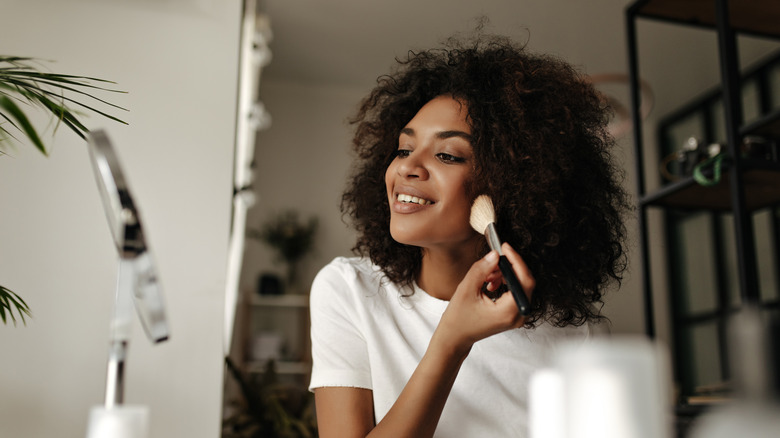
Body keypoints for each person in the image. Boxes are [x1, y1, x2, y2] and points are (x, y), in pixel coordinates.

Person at [308, 32, 630, 438]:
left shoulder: (575, 338)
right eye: (404, 149)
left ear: (513, 186)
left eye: (447, 155)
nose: (407, 167)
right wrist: (451, 341)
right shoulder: (350, 291)